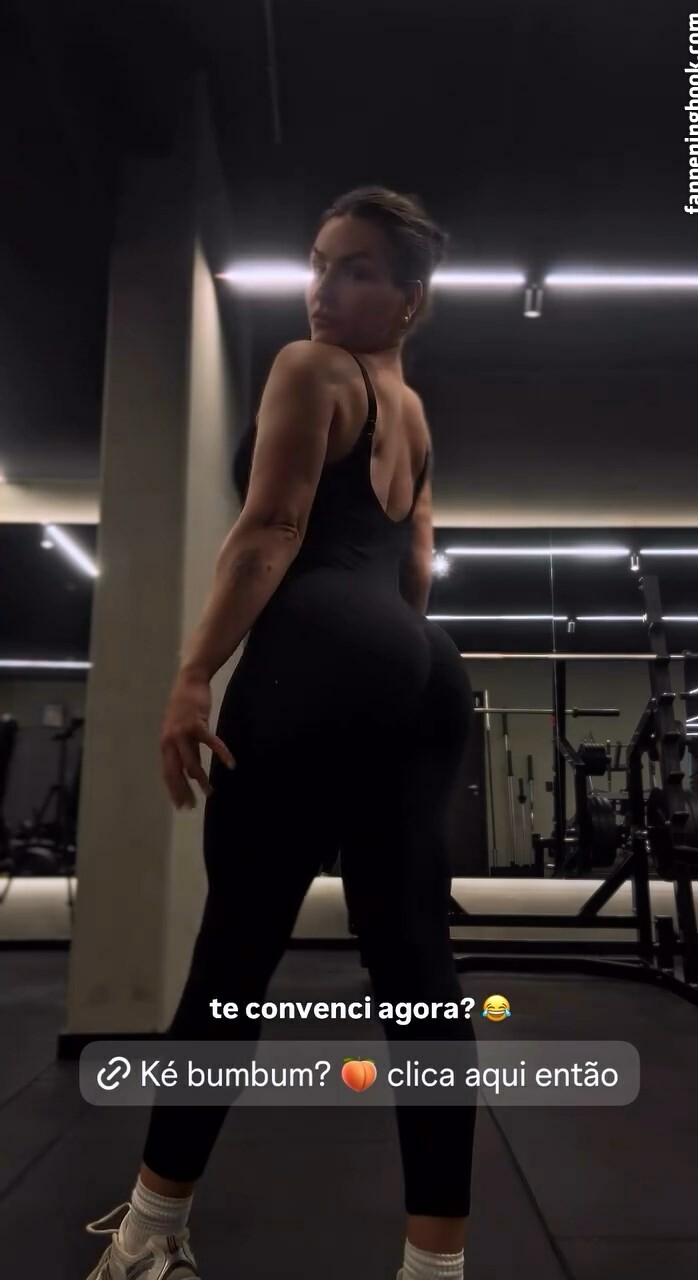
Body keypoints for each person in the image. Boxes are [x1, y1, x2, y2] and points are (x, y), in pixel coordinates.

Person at [84, 187, 477, 1280]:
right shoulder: (413, 412)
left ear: (407, 299)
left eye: (356, 271)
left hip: (314, 658)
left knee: (234, 955)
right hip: (422, 666)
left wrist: (192, 674)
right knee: (418, 969)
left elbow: (272, 528)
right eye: (318, 262)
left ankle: (149, 1236)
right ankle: (436, 1266)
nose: (322, 288)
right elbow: (415, 566)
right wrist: (391, 667)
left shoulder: (311, 370)